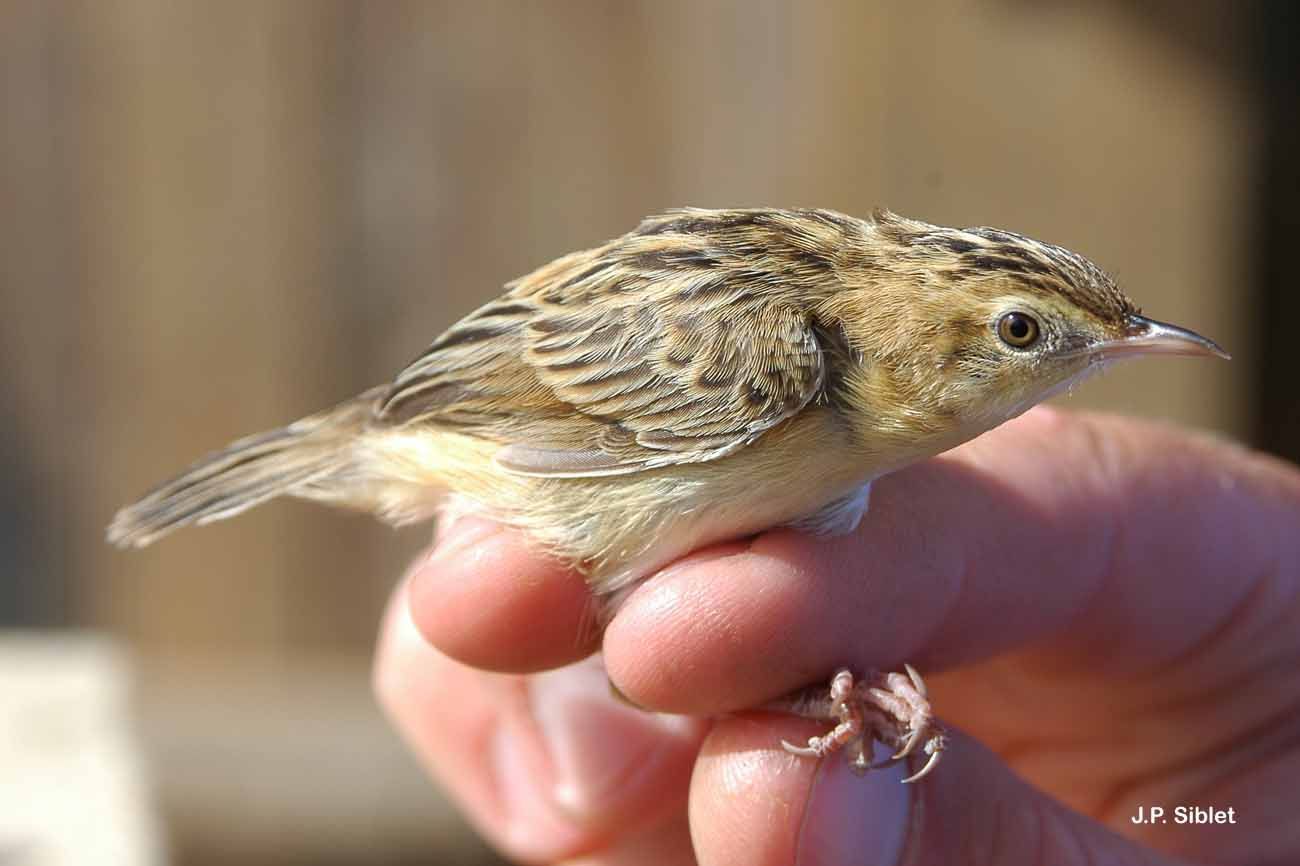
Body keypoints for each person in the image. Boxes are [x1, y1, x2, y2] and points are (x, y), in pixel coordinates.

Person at [373, 407, 1300, 865]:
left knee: (730, 630)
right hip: (494, 443)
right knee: (678, 634)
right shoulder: (782, 376)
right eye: (1019, 332)